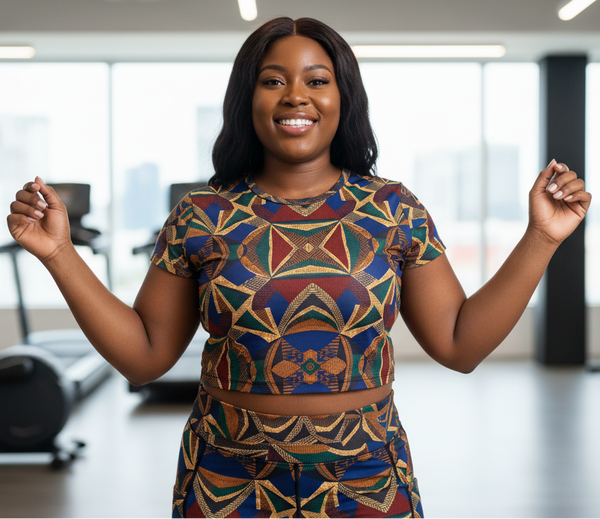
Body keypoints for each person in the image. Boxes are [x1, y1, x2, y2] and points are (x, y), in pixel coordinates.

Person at [7, 16, 591, 519]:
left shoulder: (393, 209)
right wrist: (59, 253)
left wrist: (541, 237)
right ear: (247, 99)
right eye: (272, 81)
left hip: (366, 472)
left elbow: (460, 346)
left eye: (317, 80)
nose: (295, 96)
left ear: (344, 97)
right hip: (226, 474)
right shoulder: (201, 215)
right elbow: (145, 354)